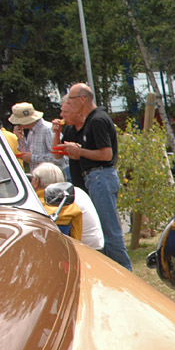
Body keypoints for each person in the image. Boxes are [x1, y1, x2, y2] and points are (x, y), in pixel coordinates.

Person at [60, 83, 132, 270]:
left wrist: (80, 152)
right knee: (100, 230)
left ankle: (125, 272)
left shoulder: (98, 120)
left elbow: (106, 155)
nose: (70, 103)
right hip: (94, 178)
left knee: (109, 230)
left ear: (83, 99)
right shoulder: (90, 121)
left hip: (101, 176)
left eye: (72, 99)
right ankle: (112, 271)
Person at [31, 162, 104, 250]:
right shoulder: (74, 191)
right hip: (96, 246)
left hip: (84, 250)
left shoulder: (48, 201)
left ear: (36, 181)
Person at [8, 101, 65, 173]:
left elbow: (59, 159)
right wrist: (21, 139)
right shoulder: (31, 131)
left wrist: (33, 158)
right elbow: (27, 154)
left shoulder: (48, 129)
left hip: (52, 177)